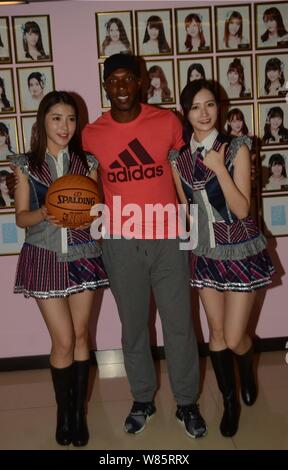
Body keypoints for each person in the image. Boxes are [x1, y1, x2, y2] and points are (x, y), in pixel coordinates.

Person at [82, 53, 207, 439]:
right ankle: (143, 399)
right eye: (113, 80)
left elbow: (189, 164)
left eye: (128, 79)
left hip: (168, 238)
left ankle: (187, 402)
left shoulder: (167, 122)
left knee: (179, 326)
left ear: (141, 82)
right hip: (120, 241)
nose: (121, 86)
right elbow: (85, 182)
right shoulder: (92, 133)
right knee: (133, 327)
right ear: (106, 85)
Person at [170, 79, 275, 437]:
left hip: (240, 248)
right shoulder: (178, 159)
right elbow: (186, 210)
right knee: (214, 332)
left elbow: (244, 209)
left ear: (220, 108)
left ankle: (246, 365)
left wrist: (218, 168)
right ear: (186, 112)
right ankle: (230, 402)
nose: (204, 113)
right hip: (205, 252)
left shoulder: (236, 149)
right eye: (196, 106)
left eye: (210, 105)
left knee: (234, 338)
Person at [10, 90, 109, 447]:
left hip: (83, 254)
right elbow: (21, 218)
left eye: (71, 119)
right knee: (63, 341)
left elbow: (97, 214)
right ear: (43, 122)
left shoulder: (88, 163)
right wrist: (45, 213)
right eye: (56, 118)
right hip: (44, 255)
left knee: (82, 336)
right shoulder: (25, 165)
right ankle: (62, 411)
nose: (65, 126)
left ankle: (78, 414)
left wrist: (93, 215)